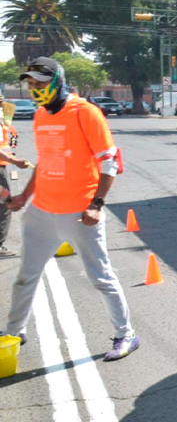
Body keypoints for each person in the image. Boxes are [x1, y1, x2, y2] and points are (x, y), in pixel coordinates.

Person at [2, 57, 139, 361]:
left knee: (100, 277)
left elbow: (109, 161)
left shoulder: (85, 112)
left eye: (40, 82)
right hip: (41, 212)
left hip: (80, 213)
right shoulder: (40, 115)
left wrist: (96, 205)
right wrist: (25, 196)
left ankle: (126, 334)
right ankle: (14, 330)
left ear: (57, 81)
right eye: (31, 82)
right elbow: (46, 162)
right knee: (26, 275)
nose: (35, 87)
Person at [0, 95, 31, 257]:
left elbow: (9, 140)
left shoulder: (4, 118)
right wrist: (14, 160)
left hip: (2, 166)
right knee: (5, 204)